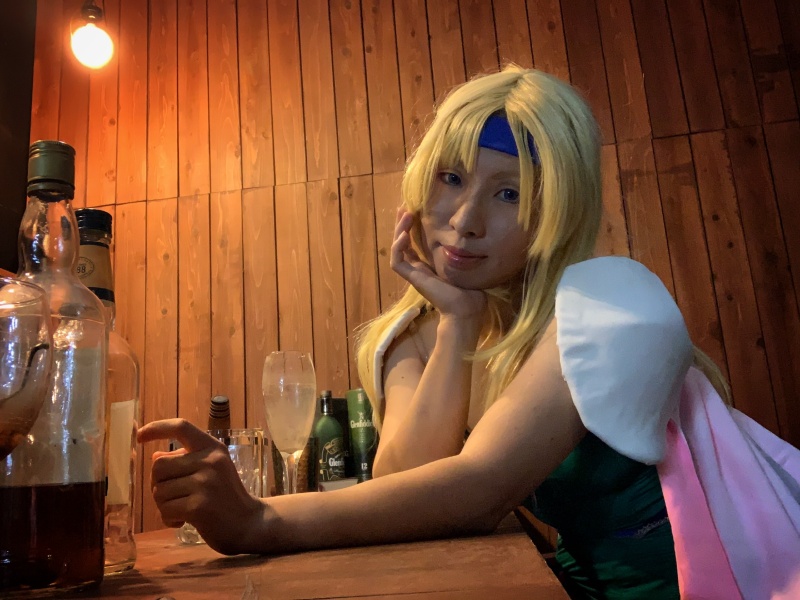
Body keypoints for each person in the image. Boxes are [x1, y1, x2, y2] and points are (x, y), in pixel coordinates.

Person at [138, 65, 800, 599]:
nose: (464, 220)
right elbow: (410, 480)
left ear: (557, 212)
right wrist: (457, 322)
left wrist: (259, 519)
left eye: (509, 194)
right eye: (451, 179)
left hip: (715, 582)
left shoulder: (609, 302)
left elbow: (478, 490)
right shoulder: (417, 332)